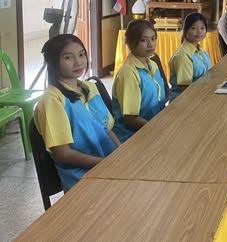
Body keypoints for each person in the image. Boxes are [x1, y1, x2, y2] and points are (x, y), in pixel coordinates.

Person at [33, 34, 119, 192]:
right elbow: (63, 154)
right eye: (68, 57)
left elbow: (107, 129)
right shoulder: (52, 101)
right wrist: (106, 163)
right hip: (83, 180)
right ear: (53, 62)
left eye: (81, 55)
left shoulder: (90, 88)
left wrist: (121, 153)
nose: (78, 62)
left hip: (110, 167)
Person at [112, 20, 166, 142]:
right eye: (143, 40)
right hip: (132, 136)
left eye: (153, 39)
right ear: (131, 43)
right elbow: (131, 119)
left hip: (154, 125)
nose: (150, 44)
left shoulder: (152, 64)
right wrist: (159, 128)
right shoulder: (129, 73)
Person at [168, 12, 212, 101]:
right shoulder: (183, 55)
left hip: (201, 95)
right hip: (184, 100)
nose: (199, 31)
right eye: (193, 28)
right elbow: (184, 87)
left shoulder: (201, 51)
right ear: (185, 30)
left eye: (202, 28)